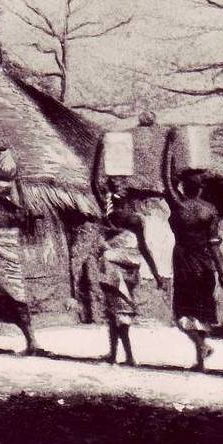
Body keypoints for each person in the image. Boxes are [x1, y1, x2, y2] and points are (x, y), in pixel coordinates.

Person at [162, 131, 223, 372]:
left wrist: (169, 147)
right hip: (204, 263)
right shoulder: (209, 210)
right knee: (200, 311)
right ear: (201, 187)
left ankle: (201, 349)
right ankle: (201, 354)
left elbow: (166, 180)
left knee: (182, 312)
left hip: (183, 260)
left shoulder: (178, 205)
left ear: (184, 185)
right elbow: (214, 243)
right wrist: (222, 271)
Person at [92, 146, 165, 366]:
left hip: (125, 267)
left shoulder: (128, 219)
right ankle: (116, 355)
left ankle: (129, 356)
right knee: (115, 312)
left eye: (123, 184)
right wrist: (100, 153)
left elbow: (143, 247)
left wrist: (156, 272)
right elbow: (95, 183)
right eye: (116, 183)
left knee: (120, 313)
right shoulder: (111, 216)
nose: (120, 186)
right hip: (115, 267)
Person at [0, 148, 41, 355]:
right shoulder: (16, 213)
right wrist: (17, 176)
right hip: (6, 263)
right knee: (12, 299)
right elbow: (20, 197)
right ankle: (29, 341)